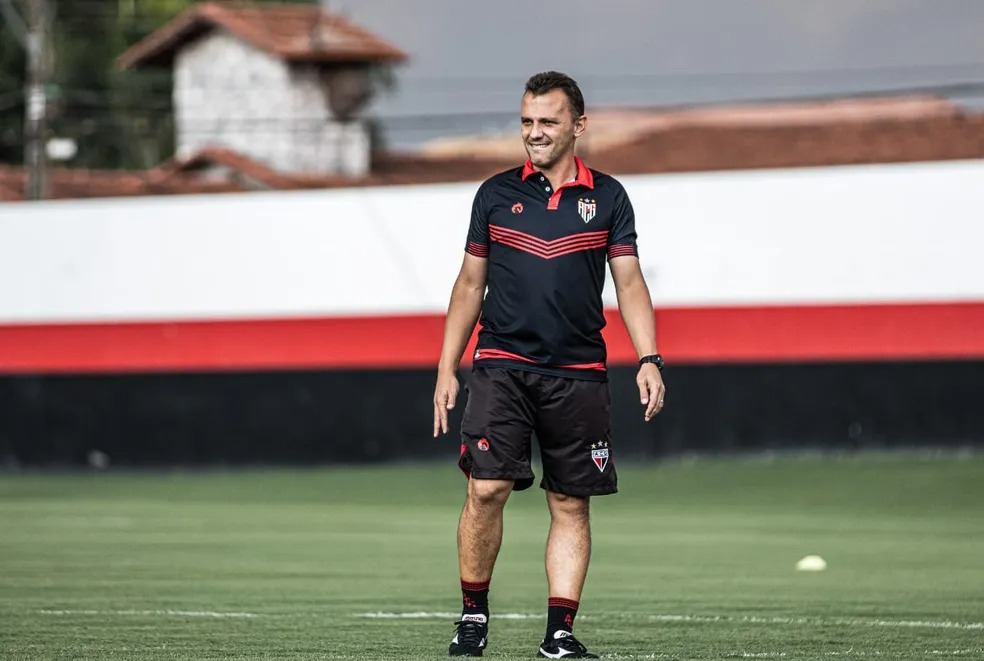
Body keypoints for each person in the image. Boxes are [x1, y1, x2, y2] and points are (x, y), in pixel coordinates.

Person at [432, 71, 665, 659]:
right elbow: (468, 285)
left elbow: (630, 282)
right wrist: (445, 367)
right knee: (485, 489)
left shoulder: (608, 197)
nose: (534, 134)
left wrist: (649, 357)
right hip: (501, 365)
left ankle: (558, 634)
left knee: (569, 502)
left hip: (579, 372)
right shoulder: (493, 194)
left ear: (578, 126)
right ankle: (473, 618)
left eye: (547, 122)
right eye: (527, 122)